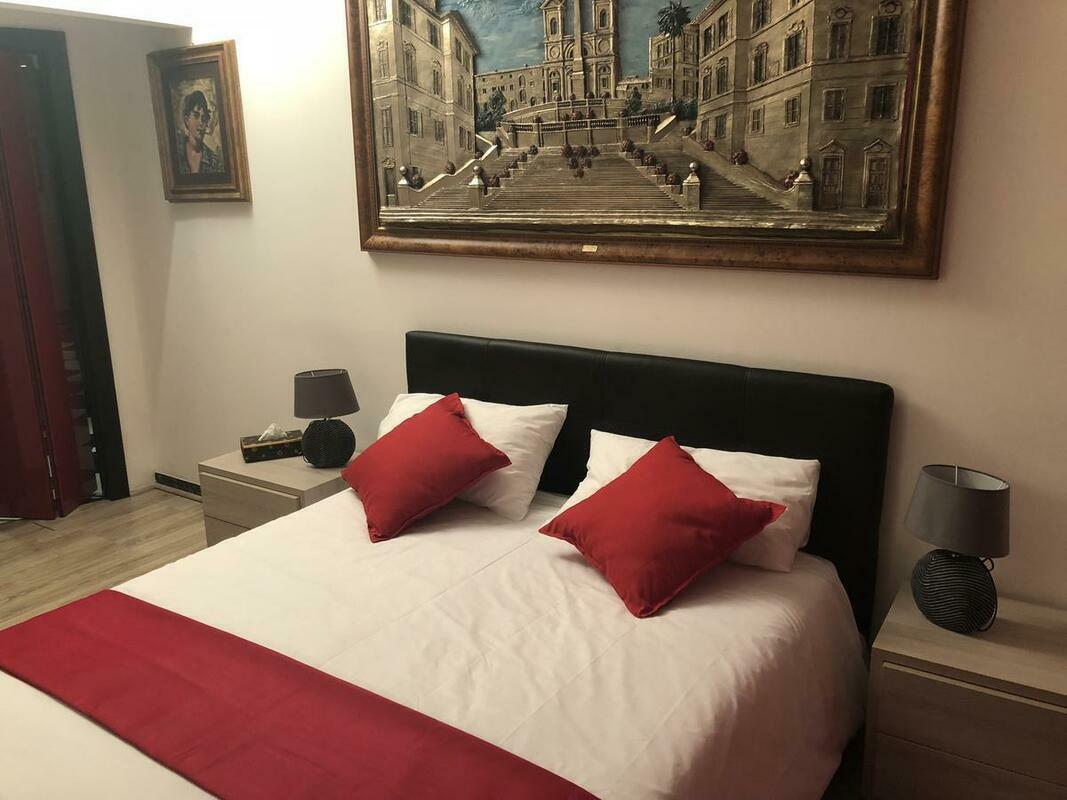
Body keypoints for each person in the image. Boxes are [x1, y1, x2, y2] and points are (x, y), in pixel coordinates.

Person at [176, 90, 223, 174]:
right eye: (196, 116)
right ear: (187, 120)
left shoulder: (213, 161)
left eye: (204, 117)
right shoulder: (177, 153)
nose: (201, 122)